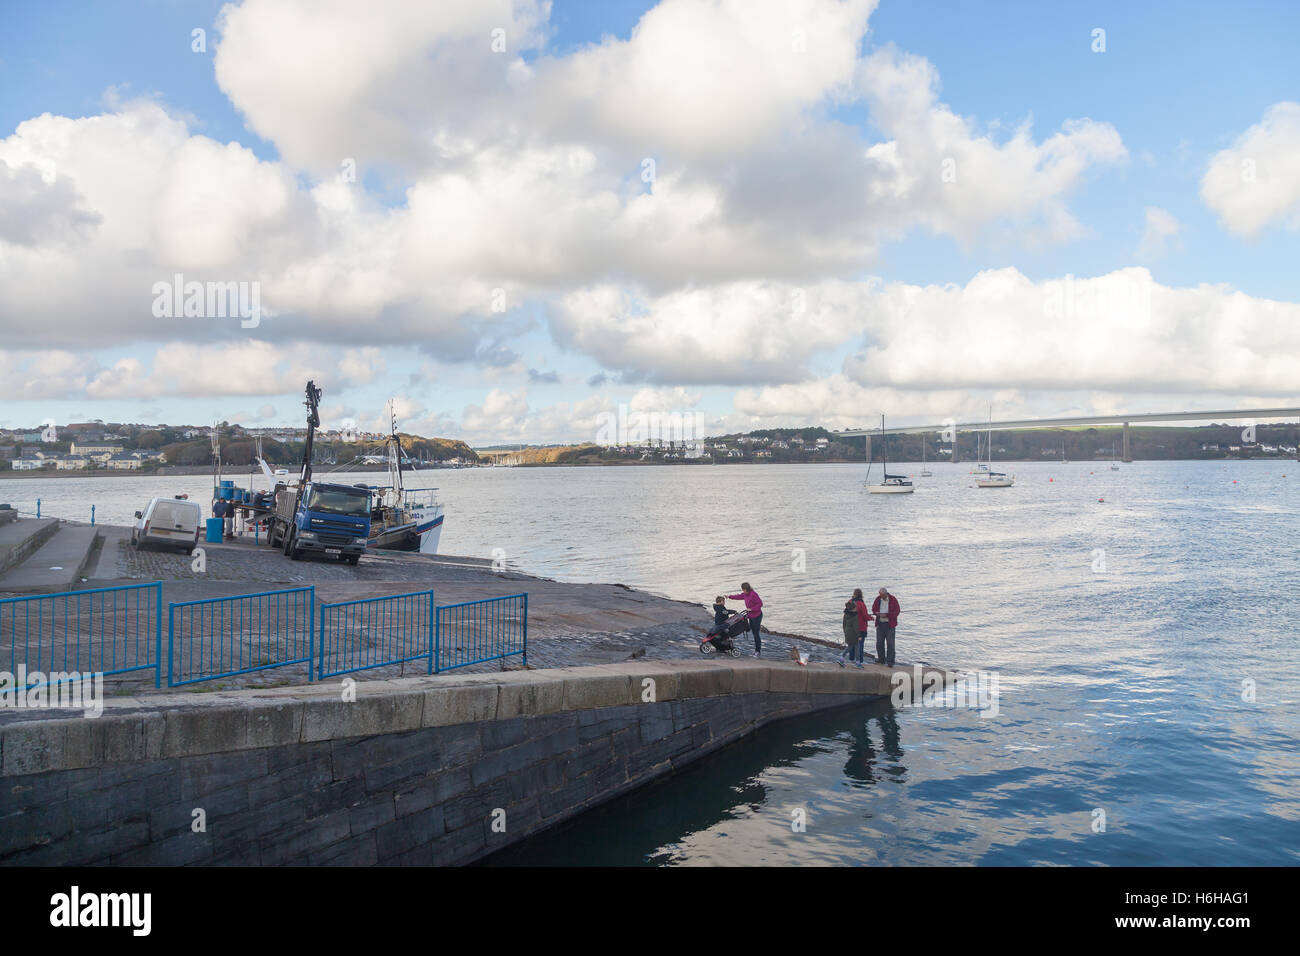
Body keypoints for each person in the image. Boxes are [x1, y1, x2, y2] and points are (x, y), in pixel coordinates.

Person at [727, 582, 764, 657]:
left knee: (756, 634)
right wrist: (729, 596)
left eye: (743, 589)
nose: (742, 591)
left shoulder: (753, 594)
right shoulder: (745, 594)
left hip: (757, 616)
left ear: (746, 589)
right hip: (750, 616)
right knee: (750, 629)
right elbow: (739, 596)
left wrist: (752, 609)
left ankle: (757, 651)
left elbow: (760, 604)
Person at [871, 587, 901, 666]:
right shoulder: (878, 599)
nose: (881, 597)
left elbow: (897, 611)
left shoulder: (893, 599)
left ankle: (890, 662)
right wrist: (876, 613)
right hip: (880, 624)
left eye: (882, 595)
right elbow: (873, 609)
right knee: (879, 643)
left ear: (886, 593)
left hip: (890, 625)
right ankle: (881, 660)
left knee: (890, 644)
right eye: (880, 595)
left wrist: (887, 615)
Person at [850, 587, 871, 667]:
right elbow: (865, 616)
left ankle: (851, 659)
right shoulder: (861, 604)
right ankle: (860, 661)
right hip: (861, 628)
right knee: (860, 645)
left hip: (851, 627)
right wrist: (871, 618)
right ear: (861, 595)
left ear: (854, 594)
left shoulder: (850, 602)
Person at [838, 600, 858, 667]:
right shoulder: (855, 616)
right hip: (853, 634)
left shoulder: (846, 615)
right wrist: (859, 635)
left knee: (850, 646)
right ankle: (857, 662)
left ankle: (842, 657)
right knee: (856, 646)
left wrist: (845, 632)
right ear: (853, 609)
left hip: (847, 632)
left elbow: (844, 624)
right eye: (856, 608)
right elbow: (856, 627)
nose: (856, 609)